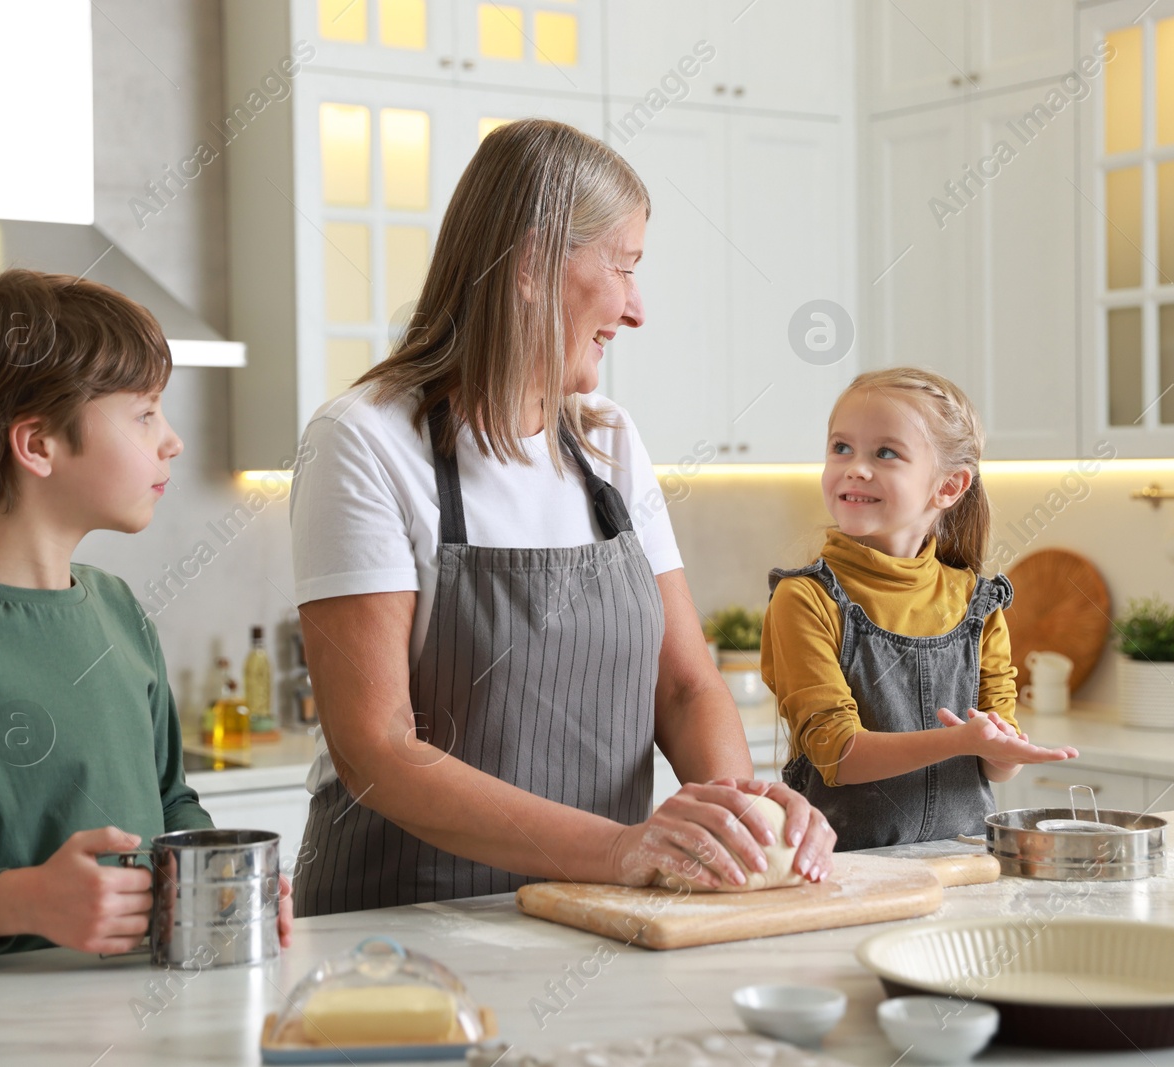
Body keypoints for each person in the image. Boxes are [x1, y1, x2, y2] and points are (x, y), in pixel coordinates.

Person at [290, 118, 836, 914]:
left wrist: (737, 818)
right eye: (623, 266)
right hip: (407, 927)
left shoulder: (608, 441)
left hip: (598, 915)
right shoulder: (363, 440)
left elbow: (684, 686)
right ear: (532, 265)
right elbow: (377, 748)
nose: (637, 308)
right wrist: (620, 848)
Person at [0, 269, 291, 970]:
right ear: (37, 445)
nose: (173, 441)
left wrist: (222, 880)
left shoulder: (122, 612)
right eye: (145, 413)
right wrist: (22, 900)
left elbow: (171, 801)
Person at [761, 368, 1078, 850]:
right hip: (844, 870)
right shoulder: (806, 600)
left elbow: (998, 764)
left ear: (948, 487)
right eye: (840, 447)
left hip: (964, 864)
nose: (855, 468)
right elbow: (839, 753)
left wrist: (1005, 746)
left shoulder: (978, 602)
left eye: (885, 453)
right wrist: (963, 740)